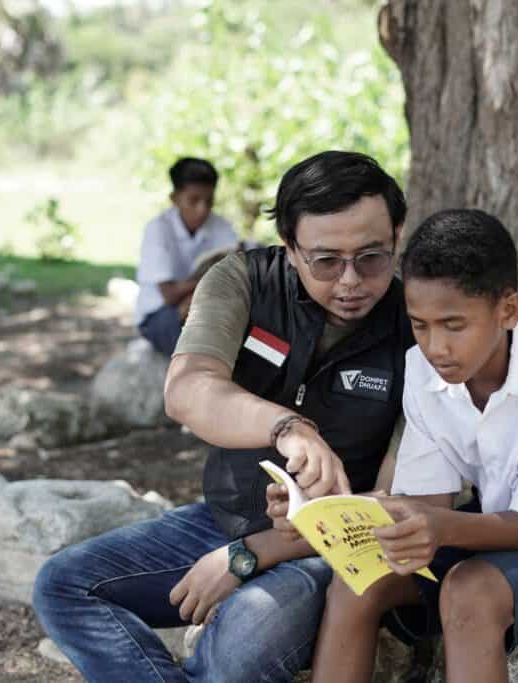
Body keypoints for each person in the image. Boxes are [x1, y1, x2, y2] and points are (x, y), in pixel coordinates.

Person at [33, 151, 413, 682]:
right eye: (325, 260)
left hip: (328, 555)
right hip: (221, 520)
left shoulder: (417, 324)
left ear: (398, 233)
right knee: (64, 584)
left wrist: (250, 556)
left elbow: (396, 505)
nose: (350, 281)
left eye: (372, 257)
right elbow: (188, 390)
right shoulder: (243, 281)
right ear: (288, 244)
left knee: (233, 656)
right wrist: (289, 428)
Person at [306, 209, 518, 683]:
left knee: (469, 590)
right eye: (421, 325)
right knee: (358, 580)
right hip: (493, 516)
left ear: (508, 310)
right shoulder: (423, 371)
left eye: (454, 325)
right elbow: (429, 503)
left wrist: (436, 525)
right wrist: (334, 509)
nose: (436, 347)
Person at [135, 157, 239, 356]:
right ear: (174, 198)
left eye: (209, 201)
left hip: (202, 304)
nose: (203, 209)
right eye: (193, 200)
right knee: (193, 349)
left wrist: (192, 296)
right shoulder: (158, 229)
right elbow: (170, 294)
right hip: (160, 313)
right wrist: (199, 288)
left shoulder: (220, 226)